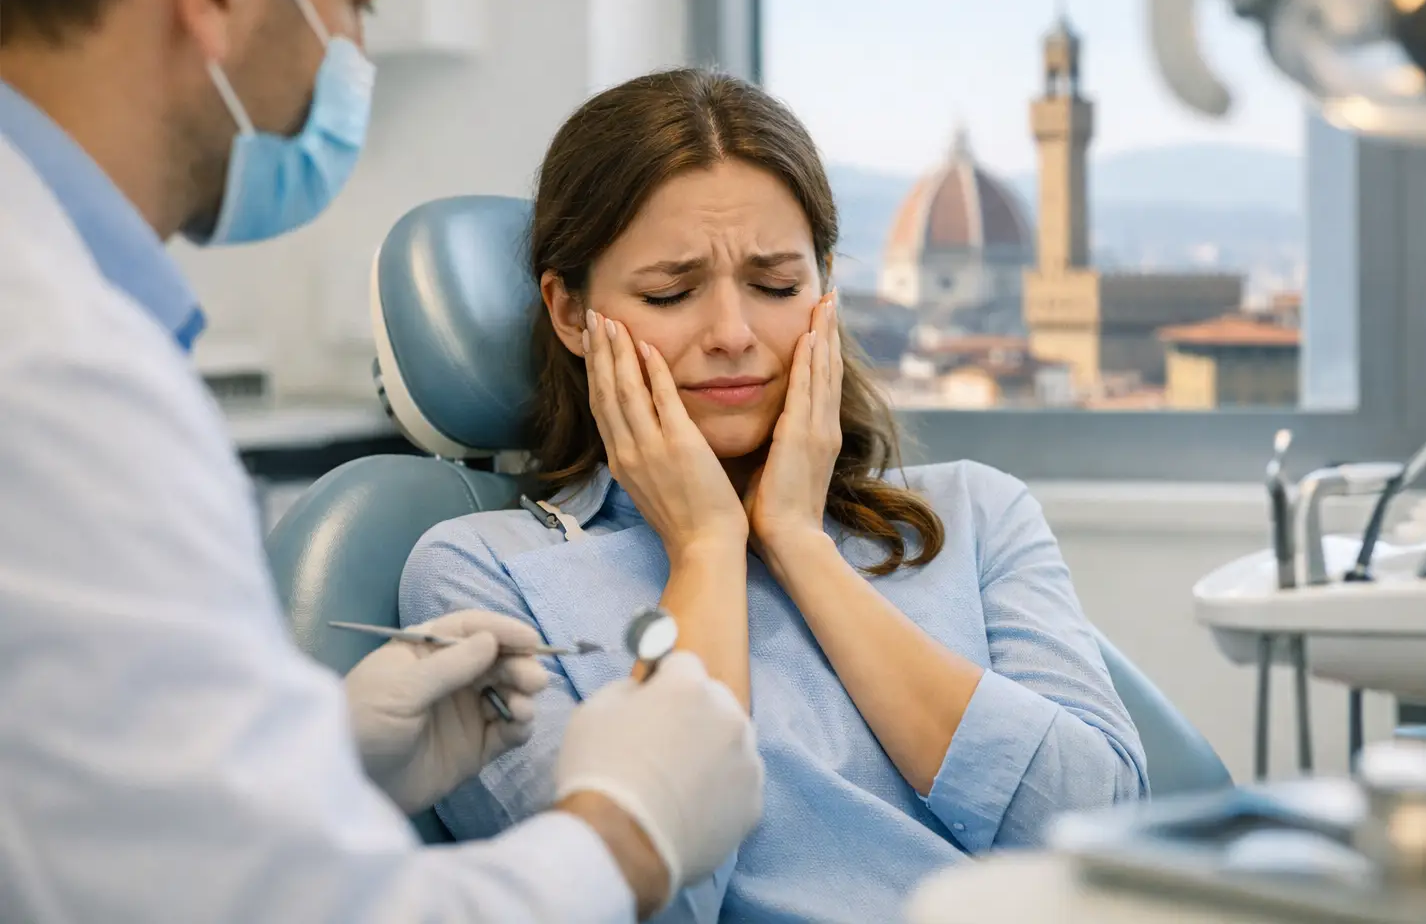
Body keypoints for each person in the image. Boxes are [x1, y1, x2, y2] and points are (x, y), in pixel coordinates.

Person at [0, 0, 762, 922]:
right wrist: (627, 832)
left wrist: (324, 756)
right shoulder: (61, 382)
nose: (733, 333)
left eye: (778, 279)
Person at [399, 67, 1152, 923]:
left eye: (778, 286)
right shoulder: (481, 578)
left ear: (825, 290)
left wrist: (799, 541)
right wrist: (706, 549)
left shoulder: (975, 514)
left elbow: (1111, 838)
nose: (733, 335)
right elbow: (647, 908)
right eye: (670, 293)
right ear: (570, 311)